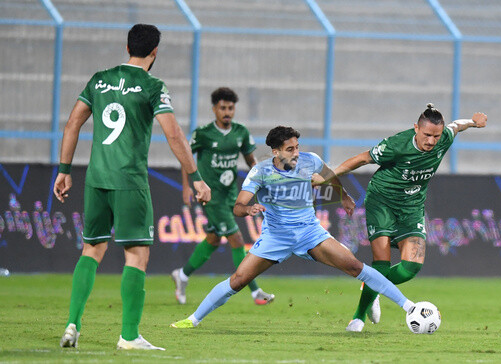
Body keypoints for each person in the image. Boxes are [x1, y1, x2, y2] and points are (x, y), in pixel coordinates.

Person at [53, 24, 211, 350]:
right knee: (137, 255)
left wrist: (64, 170)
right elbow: (174, 134)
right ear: (155, 52)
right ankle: (128, 335)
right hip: (130, 182)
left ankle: (72, 323)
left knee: (92, 250)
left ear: (127, 46)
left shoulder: (99, 79)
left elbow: (72, 124)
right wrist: (196, 177)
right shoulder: (153, 86)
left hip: (96, 179)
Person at [169, 126, 416, 329]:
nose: (296, 153)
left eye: (297, 147)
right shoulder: (261, 172)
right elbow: (238, 206)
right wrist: (249, 209)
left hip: (310, 233)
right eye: (290, 149)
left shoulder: (311, 161)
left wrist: (343, 197)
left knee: (355, 266)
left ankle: (409, 307)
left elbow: (331, 176)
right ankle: (192, 320)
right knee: (238, 280)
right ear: (276, 152)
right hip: (276, 237)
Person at [335, 104, 487, 332]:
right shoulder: (396, 145)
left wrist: (474, 122)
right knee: (382, 264)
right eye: (426, 135)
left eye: (436, 136)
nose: (431, 141)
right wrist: (330, 176)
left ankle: (373, 285)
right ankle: (358, 318)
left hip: (412, 206)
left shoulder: (444, 137)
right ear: (416, 128)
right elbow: (362, 159)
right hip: (382, 203)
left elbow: (457, 126)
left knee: (411, 267)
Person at [171, 87, 274, 305]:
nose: (227, 112)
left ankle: (182, 275)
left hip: (230, 194)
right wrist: (186, 187)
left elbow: (250, 160)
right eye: (223, 108)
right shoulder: (204, 133)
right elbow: (187, 158)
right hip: (210, 196)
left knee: (214, 239)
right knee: (236, 239)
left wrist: (261, 179)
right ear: (214, 109)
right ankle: (255, 292)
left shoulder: (241, 132)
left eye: (230, 108)